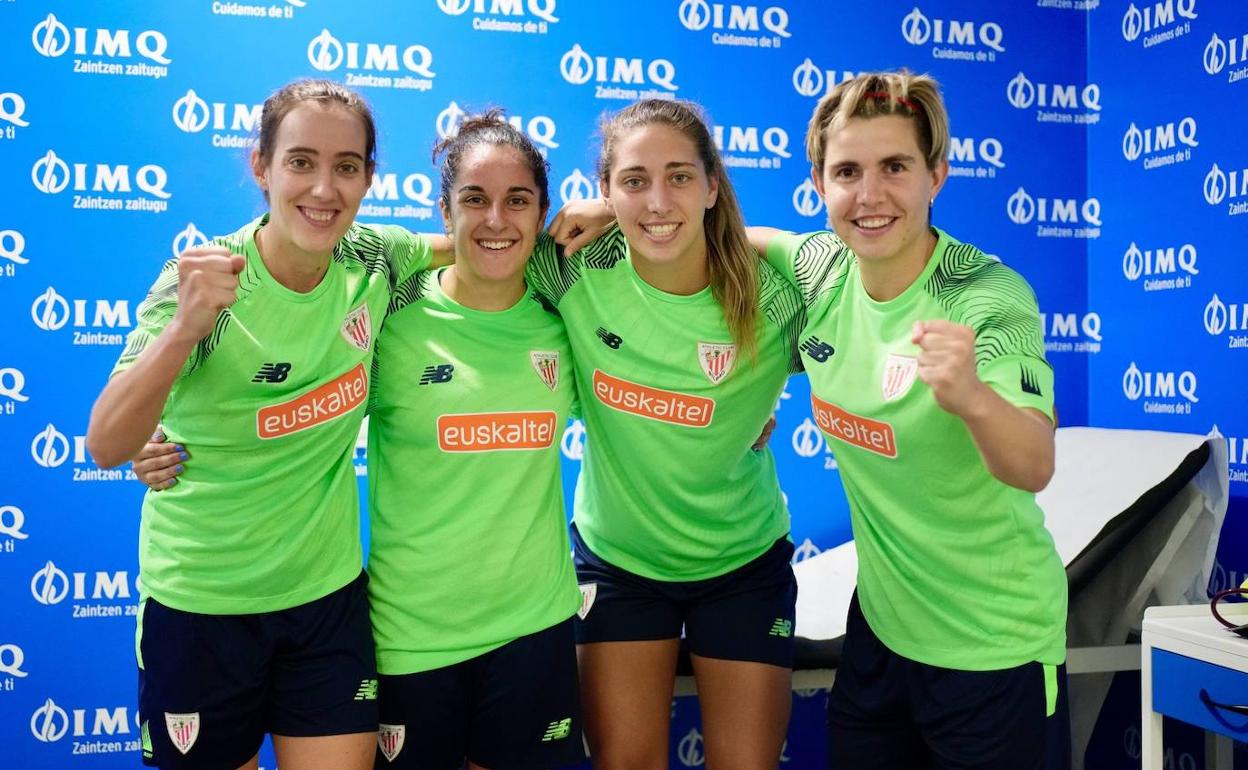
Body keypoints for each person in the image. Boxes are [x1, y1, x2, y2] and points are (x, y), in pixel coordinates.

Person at [86, 79, 439, 770]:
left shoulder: (374, 256)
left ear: (370, 178)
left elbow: (482, 240)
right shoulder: (203, 279)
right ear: (261, 166)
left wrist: (602, 212)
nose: (324, 189)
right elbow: (105, 443)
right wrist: (186, 327)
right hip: (202, 605)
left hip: (326, 600)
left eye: (346, 167)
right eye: (301, 162)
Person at [751, 70, 1070, 769]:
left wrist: (975, 399)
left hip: (991, 647)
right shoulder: (822, 270)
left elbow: (1034, 464)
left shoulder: (985, 296)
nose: (870, 195)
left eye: (895, 167)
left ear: (937, 176)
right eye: (847, 172)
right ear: (819, 185)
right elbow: (728, 235)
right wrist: (610, 212)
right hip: (882, 634)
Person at [528, 98, 806, 770]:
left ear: (712, 186)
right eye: (634, 181)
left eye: (679, 177)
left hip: (742, 564)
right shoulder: (571, 269)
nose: (658, 200)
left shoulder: (777, 295)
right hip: (619, 563)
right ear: (603, 189)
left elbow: (868, 286)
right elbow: (475, 252)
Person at [365, 112, 585, 770]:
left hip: (533, 630)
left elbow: (648, 373)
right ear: (444, 210)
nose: (496, 219)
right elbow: (293, 395)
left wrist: (745, 416)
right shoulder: (388, 316)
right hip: (412, 636)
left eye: (517, 200)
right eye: (474, 199)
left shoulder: (566, 319)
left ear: (542, 213)